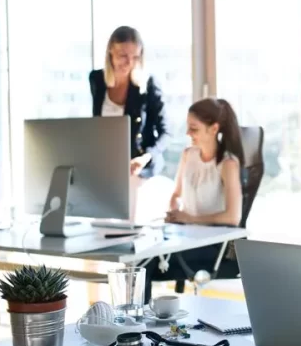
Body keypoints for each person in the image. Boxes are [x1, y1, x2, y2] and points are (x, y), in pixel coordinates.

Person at [143, 98, 244, 301]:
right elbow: (176, 194)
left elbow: (233, 217)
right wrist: (173, 212)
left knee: (145, 264)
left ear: (214, 128)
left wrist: (189, 218)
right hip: (184, 238)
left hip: (213, 245)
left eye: (194, 128)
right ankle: (136, 322)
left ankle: (136, 324)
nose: (188, 133)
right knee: (139, 257)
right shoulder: (188, 154)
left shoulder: (228, 164)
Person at [89, 25, 168, 179]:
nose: (129, 62)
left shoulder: (148, 84)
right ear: (110, 51)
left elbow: (166, 132)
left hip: (139, 168)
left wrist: (146, 157)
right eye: (123, 55)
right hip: (106, 164)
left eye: (135, 57)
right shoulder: (97, 80)